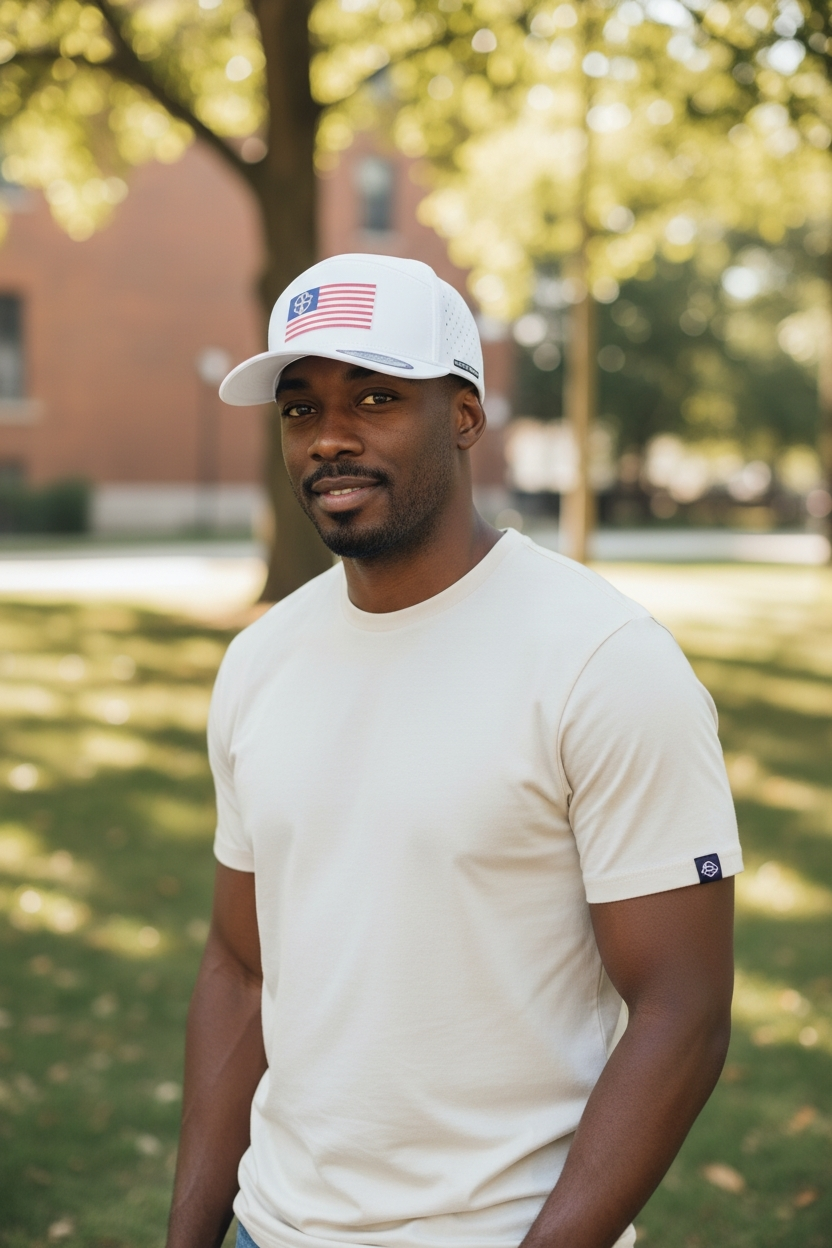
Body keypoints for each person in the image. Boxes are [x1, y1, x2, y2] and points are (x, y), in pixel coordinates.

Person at [166, 254, 741, 1248]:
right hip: (275, 1227)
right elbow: (239, 966)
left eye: (377, 397)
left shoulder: (602, 663)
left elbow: (680, 1011)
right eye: (301, 409)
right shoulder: (261, 663)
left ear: (465, 416)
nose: (330, 437)